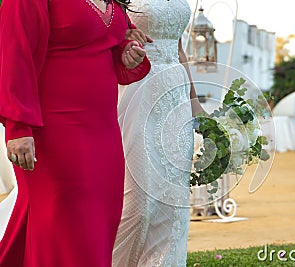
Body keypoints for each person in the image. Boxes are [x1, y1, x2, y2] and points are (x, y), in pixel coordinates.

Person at [0, 0, 151, 266]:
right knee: (65, 227)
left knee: (99, 224)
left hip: (103, 132)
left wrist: (125, 51)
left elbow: (107, 44)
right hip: (54, 132)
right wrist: (18, 126)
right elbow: (15, 52)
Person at [112, 0, 204, 266]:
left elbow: (178, 49)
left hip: (175, 97)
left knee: (173, 200)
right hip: (136, 91)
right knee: (137, 203)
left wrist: (194, 102)